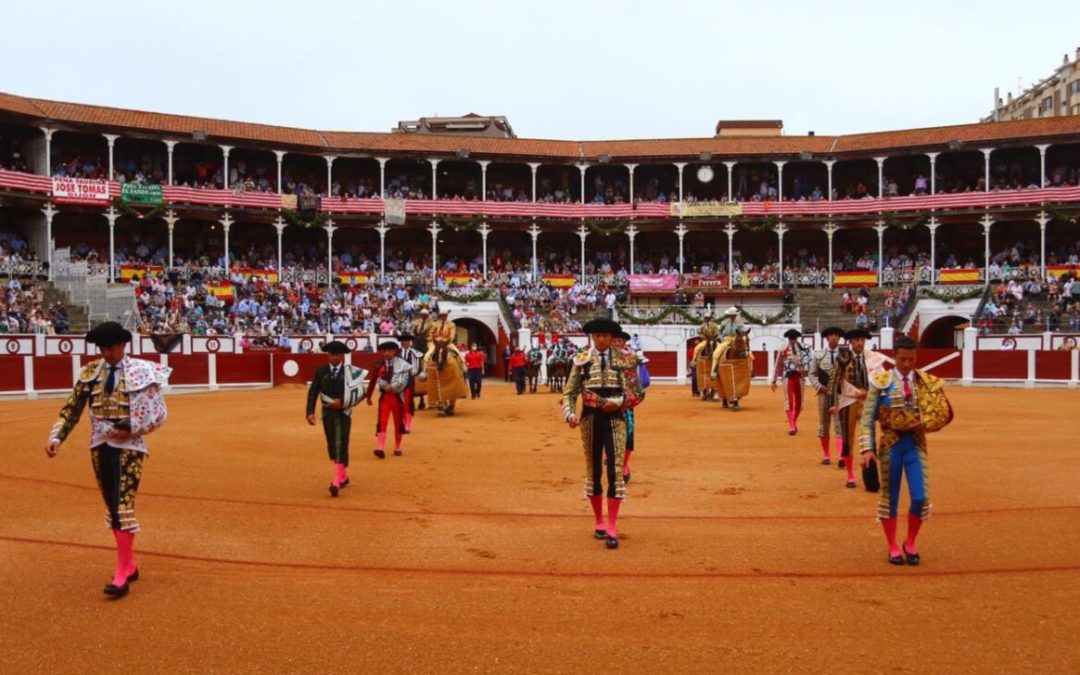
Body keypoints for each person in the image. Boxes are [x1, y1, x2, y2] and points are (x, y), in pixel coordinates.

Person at [46, 321, 171, 598]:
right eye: (101, 348)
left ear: (122, 346)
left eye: (110, 347)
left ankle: (121, 575)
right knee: (112, 506)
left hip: (131, 446)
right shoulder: (91, 373)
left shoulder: (141, 371)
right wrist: (57, 437)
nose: (105, 353)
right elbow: (72, 408)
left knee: (123, 505)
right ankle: (129, 563)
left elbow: (157, 413)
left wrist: (131, 426)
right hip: (100, 445)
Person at [859, 336, 953, 565]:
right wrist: (867, 449)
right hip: (890, 445)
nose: (907, 364)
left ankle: (910, 542)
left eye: (911, 359)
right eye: (902, 359)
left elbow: (941, 412)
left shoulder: (926, 382)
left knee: (920, 497)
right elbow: (867, 418)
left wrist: (927, 423)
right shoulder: (881, 381)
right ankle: (892, 545)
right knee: (889, 498)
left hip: (915, 444)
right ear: (895, 357)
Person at [561, 318, 642, 550]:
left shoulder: (626, 359)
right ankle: (599, 521)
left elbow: (638, 393)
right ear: (592, 337)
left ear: (611, 336)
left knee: (615, 471)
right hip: (590, 419)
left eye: (605, 335)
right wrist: (569, 415)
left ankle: (613, 527)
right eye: (597, 336)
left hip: (615, 418)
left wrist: (618, 402)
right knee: (593, 470)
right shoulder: (582, 360)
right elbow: (569, 392)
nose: (601, 340)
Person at [829, 328, 885, 489]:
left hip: (867, 401)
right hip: (848, 401)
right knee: (848, 439)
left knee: (869, 438)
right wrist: (833, 403)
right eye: (856, 340)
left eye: (862, 340)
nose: (859, 343)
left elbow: (882, 380)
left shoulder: (872, 358)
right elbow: (833, 381)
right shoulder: (843, 358)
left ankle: (871, 478)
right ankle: (850, 475)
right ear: (851, 342)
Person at [306, 341, 356, 496]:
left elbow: (358, 392)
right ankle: (343, 475)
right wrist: (310, 412)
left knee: (341, 442)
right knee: (332, 444)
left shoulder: (349, 372)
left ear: (342, 356)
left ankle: (336, 480)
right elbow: (313, 392)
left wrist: (342, 401)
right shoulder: (321, 372)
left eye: (337, 355)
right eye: (331, 354)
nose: (333, 357)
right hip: (327, 413)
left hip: (343, 413)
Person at [364, 341, 412, 458]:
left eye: (389, 351)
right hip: (384, 397)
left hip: (397, 397)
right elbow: (373, 380)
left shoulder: (403, 364)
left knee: (398, 422)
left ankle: (397, 447)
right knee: (382, 422)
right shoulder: (379, 364)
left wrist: (394, 387)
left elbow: (406, 381)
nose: (386, 353)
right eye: (384, 351)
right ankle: (380, 448)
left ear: (395, 351)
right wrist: (369, 395)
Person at [612, 329, 647, 484]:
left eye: (620, 341)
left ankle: (625, 464)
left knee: (629, 433)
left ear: (624, 343)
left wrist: (635, 396)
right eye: (615, 341)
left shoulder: (631, 358)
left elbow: (635, 381)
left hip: (626, 401)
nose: (618, 344)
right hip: (607, 400)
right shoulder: (602, 358)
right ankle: (613, 460)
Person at [811, 327, 845, 464]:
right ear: (826, 338)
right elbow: (812, 374)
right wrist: (820, 387)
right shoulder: (818, 354)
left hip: (839, 395)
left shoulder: (845, 355)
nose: (833, 338)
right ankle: (826, 454)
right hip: (824, 394)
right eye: (831, 335)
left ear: (839, 338)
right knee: (824, 424)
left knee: (839, 425)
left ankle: (841, 456)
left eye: (836, 335)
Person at [770, 328, 810, 435]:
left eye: (794, 338)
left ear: (797, 338)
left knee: (800, 403)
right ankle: (792, 426)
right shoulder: (783, 349)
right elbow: (778, 364)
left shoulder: (804, 349)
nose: (792, 340)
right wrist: (774, 380)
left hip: (800, 377)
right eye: (791, 338)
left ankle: (793, 422)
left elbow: (809, 362)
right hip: (788, 377)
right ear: (788, 339)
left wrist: (806, 370)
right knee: (789, 402)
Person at [397, 333, 424, 429]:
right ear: (401, 343)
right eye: (404, 341)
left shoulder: (415, 353)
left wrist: (407, 373)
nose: (406, 343)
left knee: (408, 401)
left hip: (409, 379)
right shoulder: (396, 353)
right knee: (398, 401)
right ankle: (402, 422)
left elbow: (415, 369)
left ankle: (407, 424)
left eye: (408, 341)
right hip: (397, 380)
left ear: (410, 343)